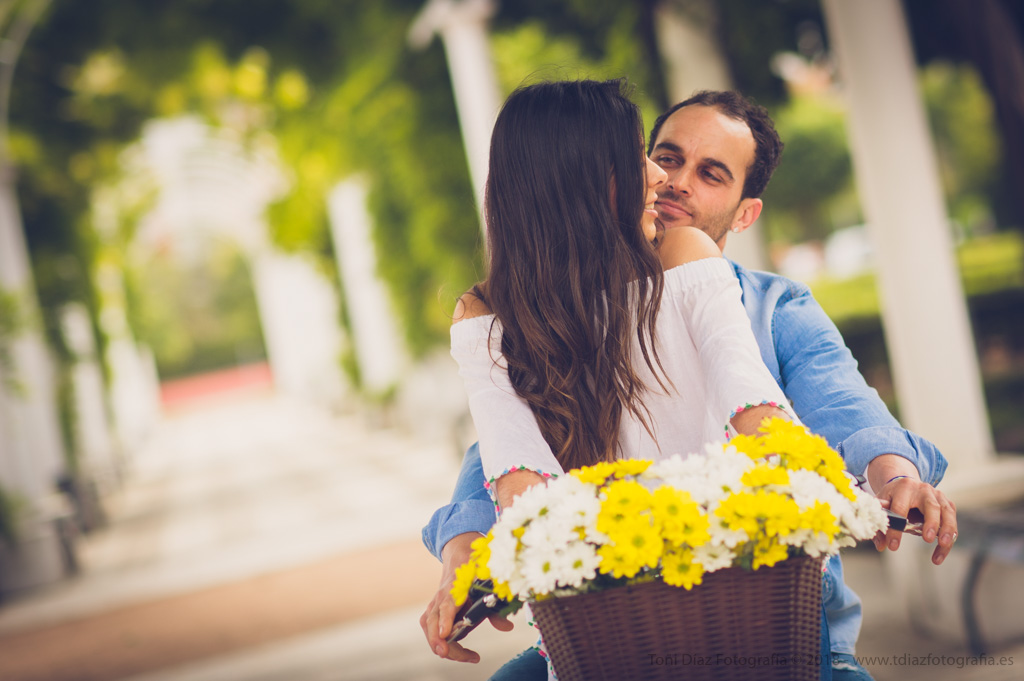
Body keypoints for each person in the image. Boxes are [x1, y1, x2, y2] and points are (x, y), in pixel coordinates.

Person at [422, 90, 958, 680]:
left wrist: (895, 476)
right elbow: (501, 462)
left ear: (744, 212)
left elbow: (834, 405)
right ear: (586, 174)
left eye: (710, 174)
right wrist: (463, 552)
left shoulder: (772, 305)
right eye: (664, 156)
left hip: (762, 608)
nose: (669, 180)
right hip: (609, 621)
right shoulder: (520, 316)